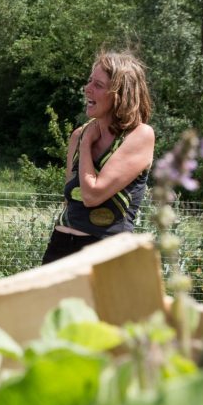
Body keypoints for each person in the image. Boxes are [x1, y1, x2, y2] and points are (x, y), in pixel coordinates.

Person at [41, 50, 155, 264]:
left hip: (105, 254)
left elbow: (92, 195)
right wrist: (83, 140)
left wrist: (86, 145)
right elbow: (70, 198)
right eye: (89, 81)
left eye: (98, 85)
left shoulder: (140, 135)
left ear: (120, 96)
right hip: (59, 248)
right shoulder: (78, 135)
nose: (87, 89)